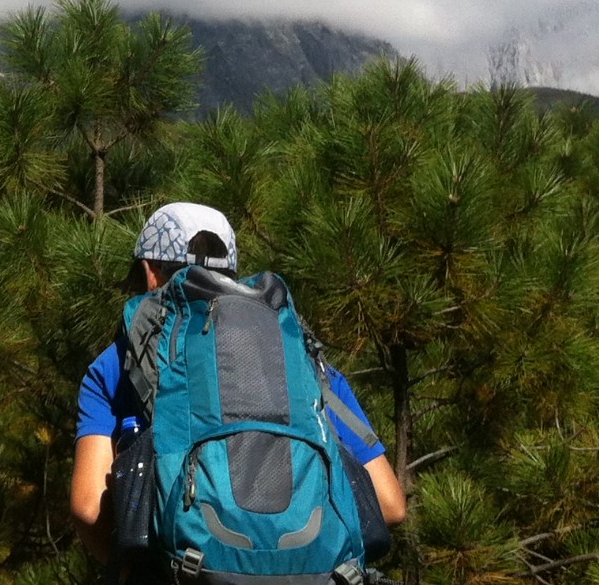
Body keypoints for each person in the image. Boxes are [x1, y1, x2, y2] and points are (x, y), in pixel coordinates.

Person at [69, 202, 406, 568]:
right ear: (232, 276)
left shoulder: (113, 365)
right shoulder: (300, 358)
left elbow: (88, 509)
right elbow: (389, 505)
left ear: (150, 274)